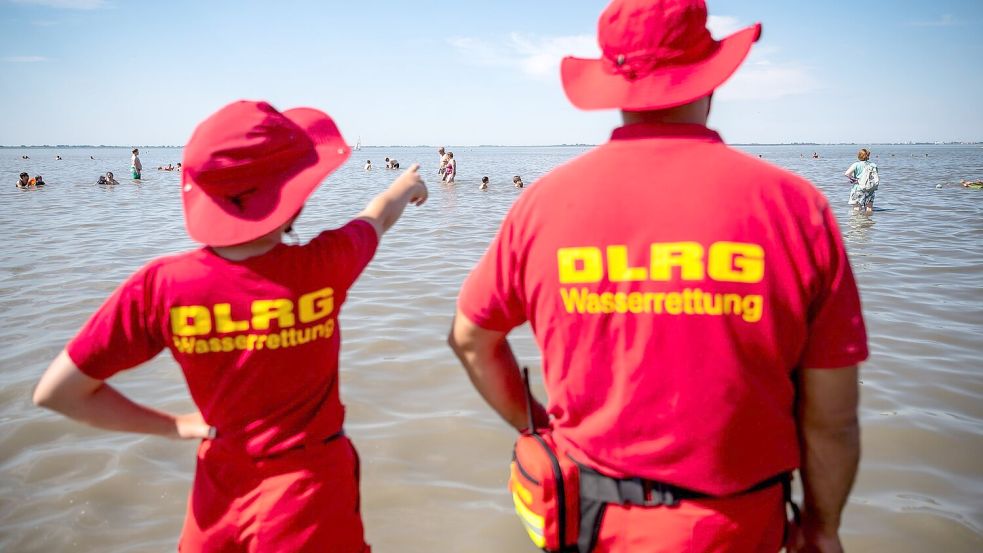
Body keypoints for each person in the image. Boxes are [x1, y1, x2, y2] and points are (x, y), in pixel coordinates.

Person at [448, 1, 867, 552]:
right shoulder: (794, 207)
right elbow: (832, 419)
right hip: (738, 526)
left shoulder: (542, 205)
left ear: (614, 88)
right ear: (710, 80)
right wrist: (822, 528)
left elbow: (471, 338)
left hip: (591, 522)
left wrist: (541, 429)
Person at [33, 100, 428, 553]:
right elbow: (377, 216)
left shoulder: (161, 287)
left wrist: (177, 426)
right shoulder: (325, 265)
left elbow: (57, 392)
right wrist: (405, 187)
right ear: (293, 196)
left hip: (217, 499)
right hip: (310, 496)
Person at [844, 148, 879, 214]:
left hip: (859, 188)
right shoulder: (873, 165)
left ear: (859, 156)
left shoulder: (856, 164)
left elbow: (847, 174)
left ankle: (858, 220)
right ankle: (868, 220)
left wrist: (854, 180)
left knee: (856, 208)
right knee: (869, 208)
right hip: (870, 188)